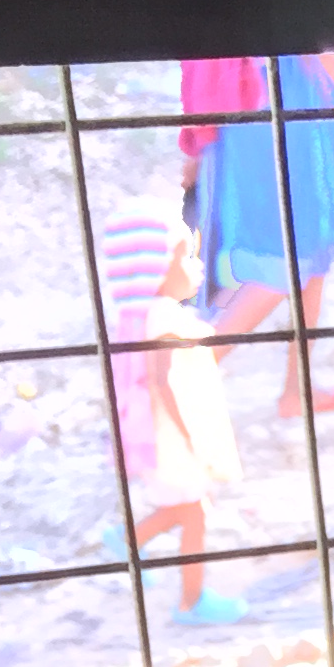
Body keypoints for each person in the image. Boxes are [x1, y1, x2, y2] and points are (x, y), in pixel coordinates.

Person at [180, 54, 334, 418]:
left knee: (312, 248)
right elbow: (315, 39)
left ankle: (297, 390)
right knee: (287, 264)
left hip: (257, 94)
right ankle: (175, 387)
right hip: (281, 99)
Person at [99, 211, 247, 624]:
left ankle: (128, 541)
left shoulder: (148, 315)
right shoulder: (162, 319)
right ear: (157, 271)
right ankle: (191, 602)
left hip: (164, 436)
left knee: (188, 509)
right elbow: (162, 382)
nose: (197, 267)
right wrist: (193, 439)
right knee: (194, 512)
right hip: (172, 438)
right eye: (186, 258)